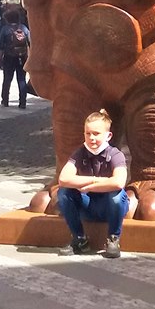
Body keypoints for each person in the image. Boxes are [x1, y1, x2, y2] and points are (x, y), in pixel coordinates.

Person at [57, 110, 129, 259]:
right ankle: (80, 239)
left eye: (96, 133)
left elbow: (118, 182)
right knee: (64, 192)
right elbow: (64, 178)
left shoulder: (115, 154)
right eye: (88, 133)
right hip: (88, 205)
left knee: (117, 195)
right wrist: (100, 181)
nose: (91, 138)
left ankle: (113, 238)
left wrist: (89, 186)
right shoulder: (79, 153)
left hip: (110, 207)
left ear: (108, 136)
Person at [0, 8, 30, 109]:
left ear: (7, 19)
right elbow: (30, 43)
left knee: (7, 79)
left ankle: (5, 100)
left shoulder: (5, 29)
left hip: (9, 57)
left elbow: (1, 46)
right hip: (22, 57)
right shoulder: (24, 28)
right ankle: (23, 102)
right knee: (21, 79)